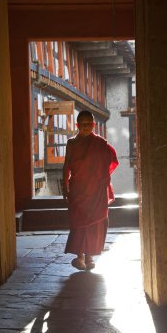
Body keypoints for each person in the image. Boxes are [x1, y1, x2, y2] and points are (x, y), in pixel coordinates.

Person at [62, 110, 119, 270]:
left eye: (89, 124)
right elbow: (67, 165)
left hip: (96, 189)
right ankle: (79, 256)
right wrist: (64, 186)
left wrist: (101, 177)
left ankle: (90, 256)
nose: (86, 127)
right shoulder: (72, 143)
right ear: (77, 125)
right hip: (78, 188)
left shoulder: (100, 143)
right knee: (78, 223)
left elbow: (111, 160)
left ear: (94, 125)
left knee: (95, 224)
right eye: (83, 124)